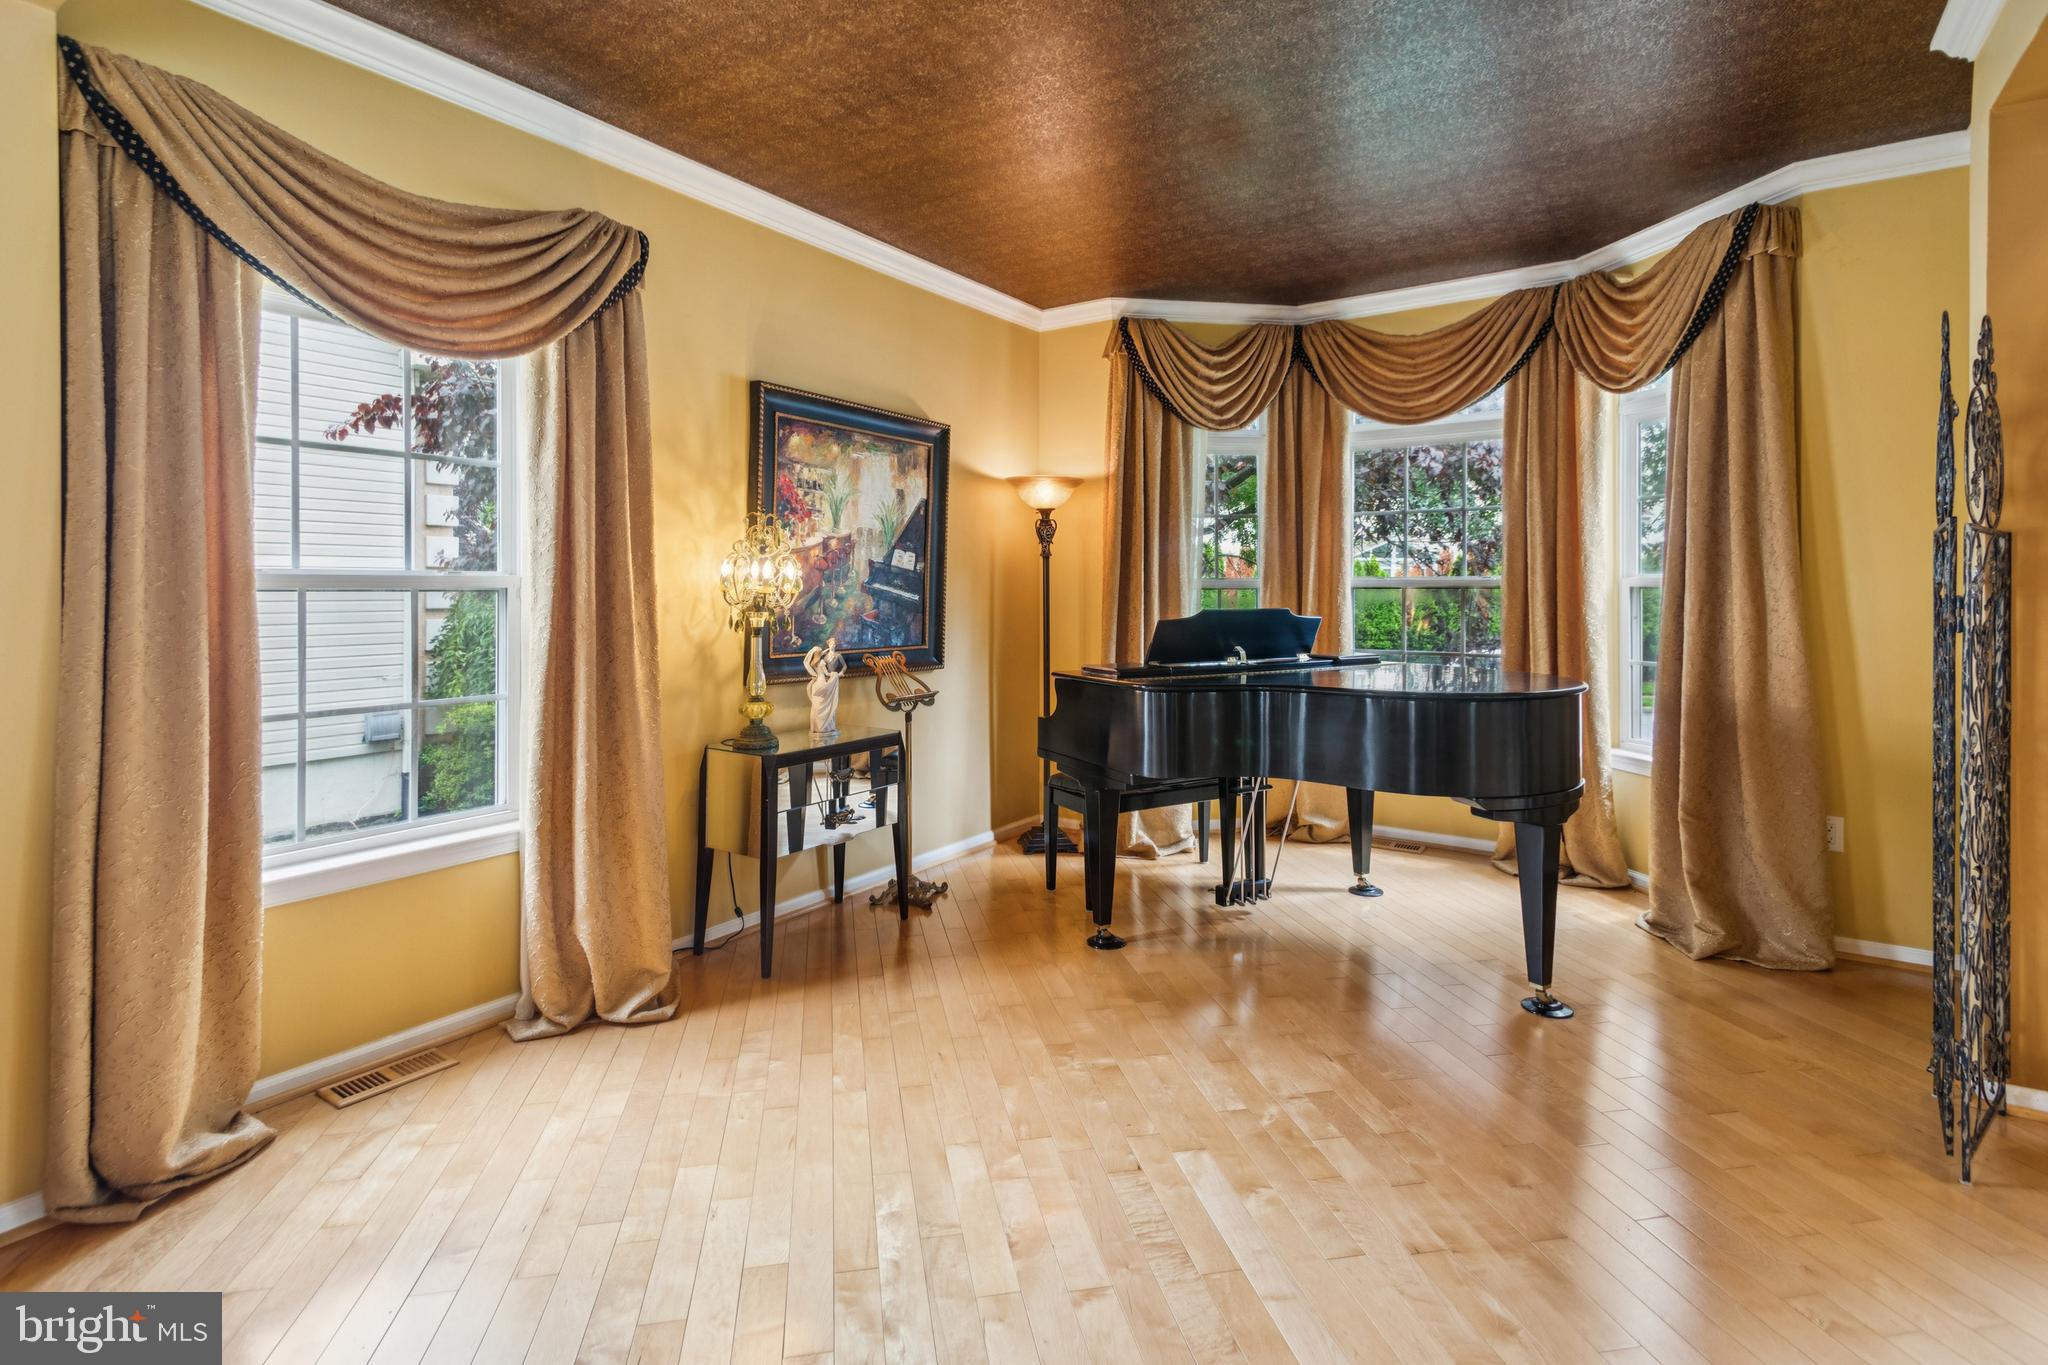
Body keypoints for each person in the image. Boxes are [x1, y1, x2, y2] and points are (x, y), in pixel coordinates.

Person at [803, 637, 845, 737]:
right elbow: (827, 673)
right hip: (821, 682)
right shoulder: (822, 662)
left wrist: (821, 653)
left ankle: (816, 727)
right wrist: (835, 674)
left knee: (817, 706)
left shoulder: (812, 664)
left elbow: (806, 662)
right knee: (825, 706)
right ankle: (824, 727)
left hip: (815, 685)